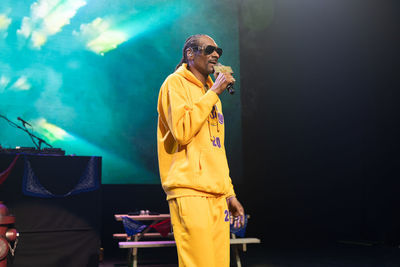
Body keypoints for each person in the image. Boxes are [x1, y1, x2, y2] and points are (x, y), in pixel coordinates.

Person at [157, 34, 245, 267]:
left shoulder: (211, 96)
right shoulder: (174, 84)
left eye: (218, 51)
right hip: (190, 191)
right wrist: (213, 93)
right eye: (209, 49)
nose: (216, 54)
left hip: (217, 195)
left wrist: (229, 193)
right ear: (190, 54)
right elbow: (182, 131)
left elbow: (216, 149)